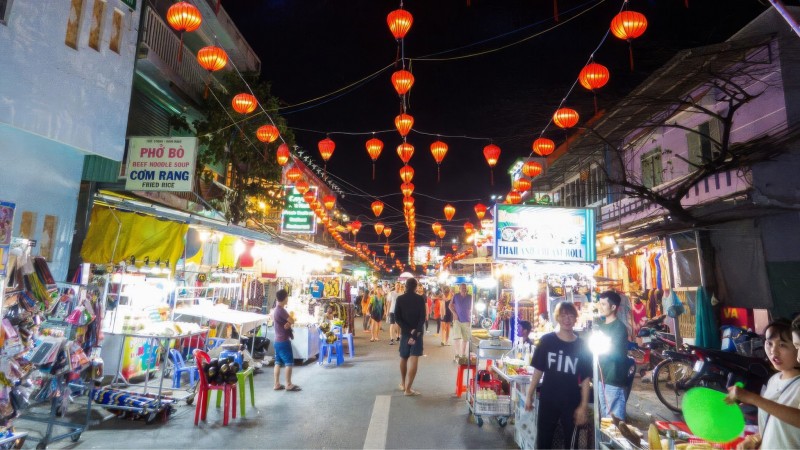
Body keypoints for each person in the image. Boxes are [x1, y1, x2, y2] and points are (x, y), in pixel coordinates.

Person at [524, 302, 592, 449]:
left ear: (576, 319)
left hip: (571, 401)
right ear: (557, 318)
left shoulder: (582, 346)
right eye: (563, 315)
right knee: (544, 440)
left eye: (571, 316)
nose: (567, 319)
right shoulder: (547, 341)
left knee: (571, 443)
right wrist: (529, 395)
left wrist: (583, 406)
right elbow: (538, 371)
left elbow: (586, 379)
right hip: (548, 399)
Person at [726, 317, 800, 450]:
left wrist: (753, 398)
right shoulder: (773, 380)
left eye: (782, 345)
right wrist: (755, 439)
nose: (773, 351)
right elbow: (775, 425)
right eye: (769, 343)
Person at [596, 291, 631, 420]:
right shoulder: (600, 326)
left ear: (613, 307)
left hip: (614, 378)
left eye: (603, 304)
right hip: (601, 378)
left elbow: (615, 353)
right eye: (600, 304)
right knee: (605, 419)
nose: (600, 307)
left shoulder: (619, 328)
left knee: (614, 420)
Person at [394, 277, 427, 396]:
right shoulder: (420, 299)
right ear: (415, 287)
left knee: (404, 357)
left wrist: (408, 329)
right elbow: (422, 317)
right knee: (414, 357)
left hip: (405, 333)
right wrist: (416, 330)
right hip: (417, 333)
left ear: (406, 286)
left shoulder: (400, 299)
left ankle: (403, 384)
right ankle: (408, 389)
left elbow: (397, 318)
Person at [272, 289, 300, 391]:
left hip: (277, 341)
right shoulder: (281, 310)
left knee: (278, 362)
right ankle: (288, 384)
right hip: (283, 341)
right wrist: (290, 322)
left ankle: (276, 384)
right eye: (287, 297)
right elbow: (292, 320)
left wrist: (287, 324)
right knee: (289, 362)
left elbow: (285, 322)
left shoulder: (276, 310)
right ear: (285, 298)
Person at [449, 283, 473, 361]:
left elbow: (473, 307)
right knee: (457, 338)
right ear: (459, 289)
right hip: (457, 320)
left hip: (466, 320)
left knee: (465, 339)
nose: (464, 289)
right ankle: (457, 354)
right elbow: (450, 306)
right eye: (462, 288)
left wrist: (474, 316)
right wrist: (454, 313)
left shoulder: (470, 297)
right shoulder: (456, 296)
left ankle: (463, 354)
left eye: (465, 288)